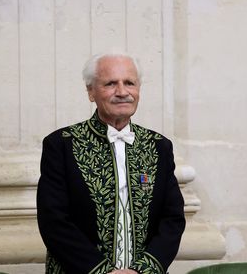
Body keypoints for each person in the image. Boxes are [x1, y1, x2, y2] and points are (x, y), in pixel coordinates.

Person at [37, 52, 185, 274]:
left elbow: (172, 218)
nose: (122, 92)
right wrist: (102, 271)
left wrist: (143, 270)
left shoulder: (159, 146)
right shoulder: (61, 144)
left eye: (129, 83)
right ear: (90, 91)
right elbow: (53, 221)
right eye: (110, 84)